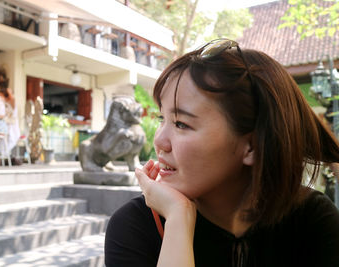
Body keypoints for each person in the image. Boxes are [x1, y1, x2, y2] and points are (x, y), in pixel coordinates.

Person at [105, 39, 339, 267]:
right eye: (161, 119)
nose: (159, 141)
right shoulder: (134, 227)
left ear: (252, 147)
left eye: (181, 124)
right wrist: (178, 218)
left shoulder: (312, 221)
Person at [0, 67, 21, 164]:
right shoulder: (0, 102)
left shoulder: (12, 102)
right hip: (2, 126)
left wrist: (8, 91)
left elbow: (12, 98)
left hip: (11, 127)